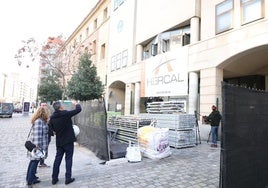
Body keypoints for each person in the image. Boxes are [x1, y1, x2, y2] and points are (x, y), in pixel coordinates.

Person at [49, 100, 82, 185]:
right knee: (68, 159)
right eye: (62, 106)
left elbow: (50, 130)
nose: (63, 107)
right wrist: (76, 103)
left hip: (59, 142)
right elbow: (78, 109)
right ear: (60, 107)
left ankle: (54, 179)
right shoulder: (65, 114)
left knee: (57, 160)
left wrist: (55, 131)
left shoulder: (52, 117)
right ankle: (68, 178)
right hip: (68, 141)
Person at [26, 107, 50, 186]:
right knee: (34, 162)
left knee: (33, 162)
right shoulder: (39, 121)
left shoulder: (40, 121)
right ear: (44, 113)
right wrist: (38, 148)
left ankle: (30, 177)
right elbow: (37, 136)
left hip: (38, 146)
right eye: (47, 112)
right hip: (38, 146)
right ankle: (30, 180)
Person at [38, 102, 51, 168]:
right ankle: (39, 162)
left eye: (45, 105)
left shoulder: (48, 114)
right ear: (40, 106)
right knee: (40, 150)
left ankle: (42, 162)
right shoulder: (38, 115)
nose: (44, 106)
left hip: (47, 136)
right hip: (41, 136)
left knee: (44, 149)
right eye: (43, 105)